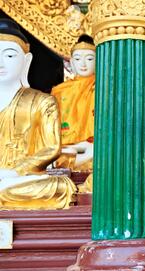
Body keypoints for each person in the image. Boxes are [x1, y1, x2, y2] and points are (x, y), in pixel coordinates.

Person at [0, 19, 76, 209]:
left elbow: (51, 148)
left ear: (26, 61)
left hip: (21, 179)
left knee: (59, 187)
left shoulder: (42, 102)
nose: (1, 62)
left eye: (9, 55)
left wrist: (16, 172)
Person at [51, 35, 96, 171]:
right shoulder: (59, 92)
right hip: (65, 148)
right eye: (77, 59)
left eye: (89, 59)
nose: (83, 64)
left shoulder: (102, 88)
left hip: (93, 147)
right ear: (71, 62)